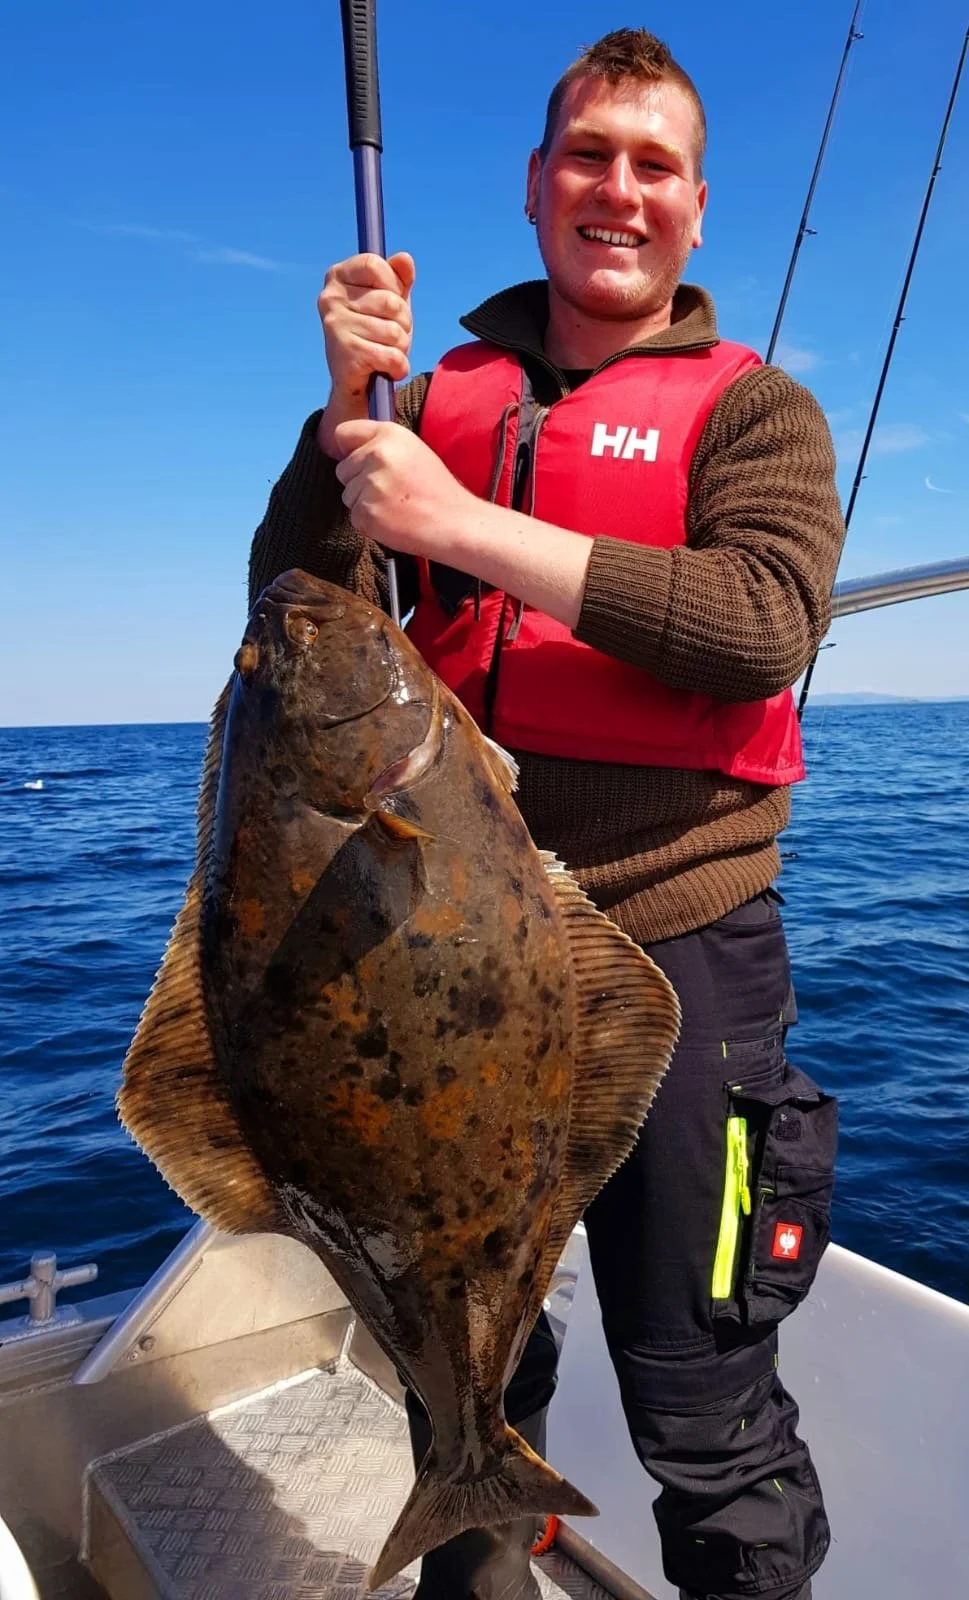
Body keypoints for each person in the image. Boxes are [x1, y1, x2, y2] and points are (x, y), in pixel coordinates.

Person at [248, 27, 844, 1600]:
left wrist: (463, 525)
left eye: (655, 166)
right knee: (466, 1365)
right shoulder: (429, 396)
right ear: (534, 186)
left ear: (697, 207)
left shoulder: (758, 414)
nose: (619, 191)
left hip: (677, 948)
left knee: (705, 1406)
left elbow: (765, 621)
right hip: (437, 958)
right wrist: (340, 414)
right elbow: (296, 611)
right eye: (590, 156)